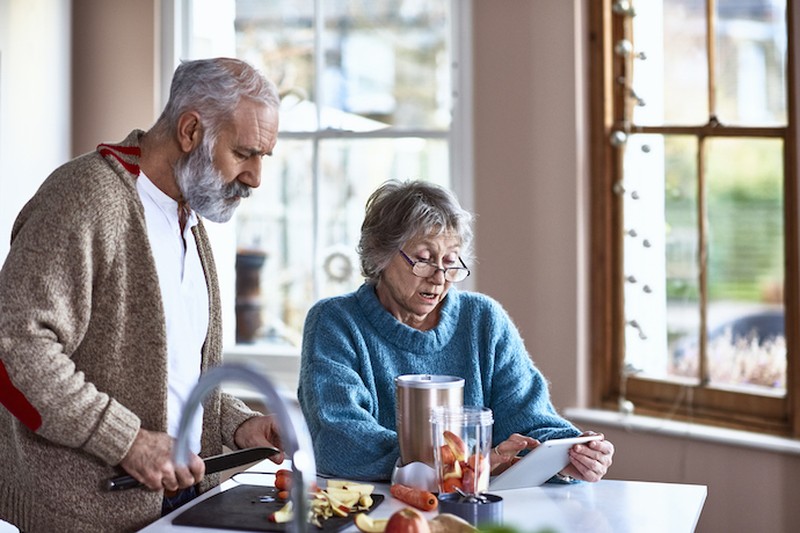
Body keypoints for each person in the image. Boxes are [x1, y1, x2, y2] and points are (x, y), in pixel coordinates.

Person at [0, 58, 285, 532]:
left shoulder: (188, 219)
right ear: (190, 131)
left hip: (174, 508)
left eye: (263, 158)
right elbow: (14, 348)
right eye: (244, 153)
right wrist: (127, 443)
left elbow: (171, 377)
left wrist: (238, 425)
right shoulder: (87, 197)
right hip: (82, 516)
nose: (255, 177)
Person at [298, 179, 614, 482]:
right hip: (373, 507)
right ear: (380, 255)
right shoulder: (335, 321)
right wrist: (458, 463)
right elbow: (338, 438)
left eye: (450, 261)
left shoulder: (484, 320)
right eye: (422, 260)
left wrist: (571, 453)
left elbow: (530, 418)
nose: (439, 277)